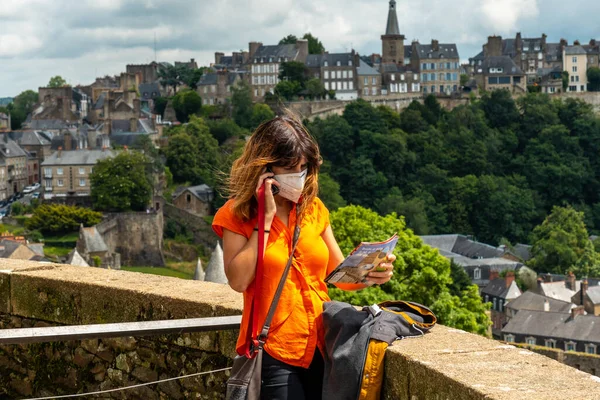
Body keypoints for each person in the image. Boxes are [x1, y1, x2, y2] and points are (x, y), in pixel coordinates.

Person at [212, 115, 395, 400]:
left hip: (324, 344)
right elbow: (237, 280)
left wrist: (371, 274)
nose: (298, 176)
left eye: (302, 168)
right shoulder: (237, 214)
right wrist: (266, 218)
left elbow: (340, 278)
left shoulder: (314, 209)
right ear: (265, 167)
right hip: (274, 350)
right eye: (289, 168)